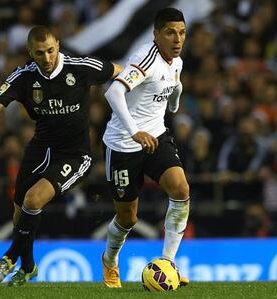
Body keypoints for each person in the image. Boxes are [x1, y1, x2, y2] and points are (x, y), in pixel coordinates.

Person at [0, 25, 122, 286]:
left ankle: (9, 258)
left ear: (58, 46)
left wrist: (138, 91)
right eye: (40, 53)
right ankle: (28, 267)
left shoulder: (80, 67)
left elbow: (119, 71)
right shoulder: (23, 76)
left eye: (51, 50)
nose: (47, 58)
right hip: (39, 149)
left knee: (33, 199)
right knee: (20, 213)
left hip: (74, 155)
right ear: (30, 52)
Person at [101, 8, 190, 288]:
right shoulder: (145, 58)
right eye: (170, 33)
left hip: (156, 137)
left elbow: (174, 84)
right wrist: (134, 131)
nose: (177, 39)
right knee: (127, 218)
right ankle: (109, 260)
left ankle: (169, 264)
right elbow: (113, 92)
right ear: (156, 35)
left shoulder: (176, 62)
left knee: (181, 189)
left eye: (182, 33)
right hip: (123, 145)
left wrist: (174, 102)